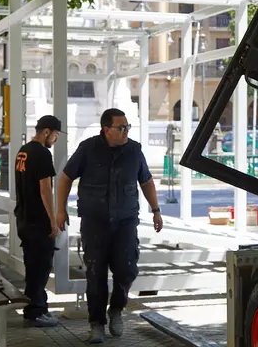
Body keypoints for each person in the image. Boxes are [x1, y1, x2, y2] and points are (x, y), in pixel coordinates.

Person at [55, 108, 163, 344]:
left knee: (126, 270)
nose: (125, 132)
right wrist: (61, 210)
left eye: (127, 127)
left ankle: (116, 309)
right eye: (120, 128)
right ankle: (96, 324)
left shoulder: (134, 150)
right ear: (106, 130)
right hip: (95, 223)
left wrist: (156, 210)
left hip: (125, 222)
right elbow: (65, 178)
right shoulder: (88, 149)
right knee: (96, 275)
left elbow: (146, 181)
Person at [13, 114, 63, 328]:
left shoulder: (22, 151)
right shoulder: (42, 154)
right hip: (37, 222)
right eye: (55, 135)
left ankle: (36, 308)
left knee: (32, 266)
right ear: (46, 132)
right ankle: (36, 312)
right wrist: (53, 221)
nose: (55, 140)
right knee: (40, 269)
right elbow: (46, 190)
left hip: (23, 218)